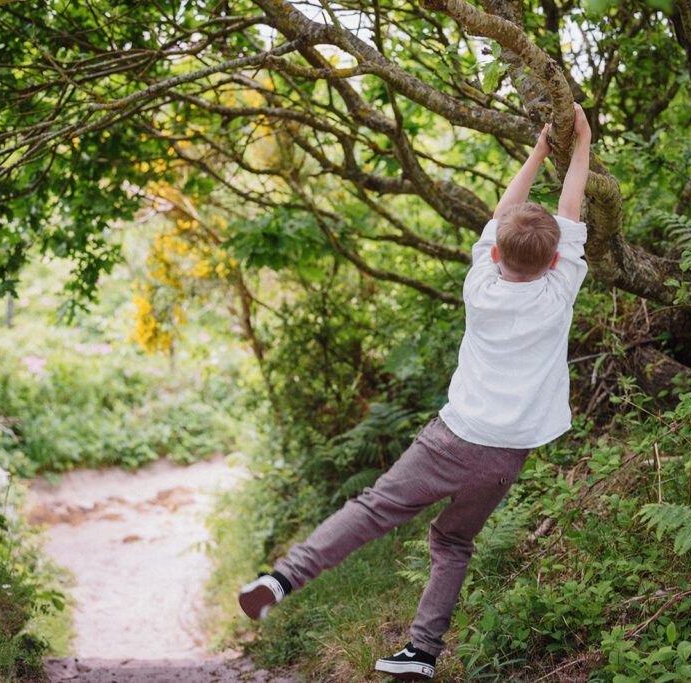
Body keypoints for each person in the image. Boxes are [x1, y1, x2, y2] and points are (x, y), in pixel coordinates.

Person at [238, 103, 593, 680]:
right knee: (453, 545)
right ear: (556, 260)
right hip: (504, 456)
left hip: (451, 439)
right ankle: (422, 653)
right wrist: (582, 146)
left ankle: (281, 579)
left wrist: (539, 151)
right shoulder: (560, 293)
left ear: (496, 253)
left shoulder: (480, 285)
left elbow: (504, 215)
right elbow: (570, 207)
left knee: (374, 509)